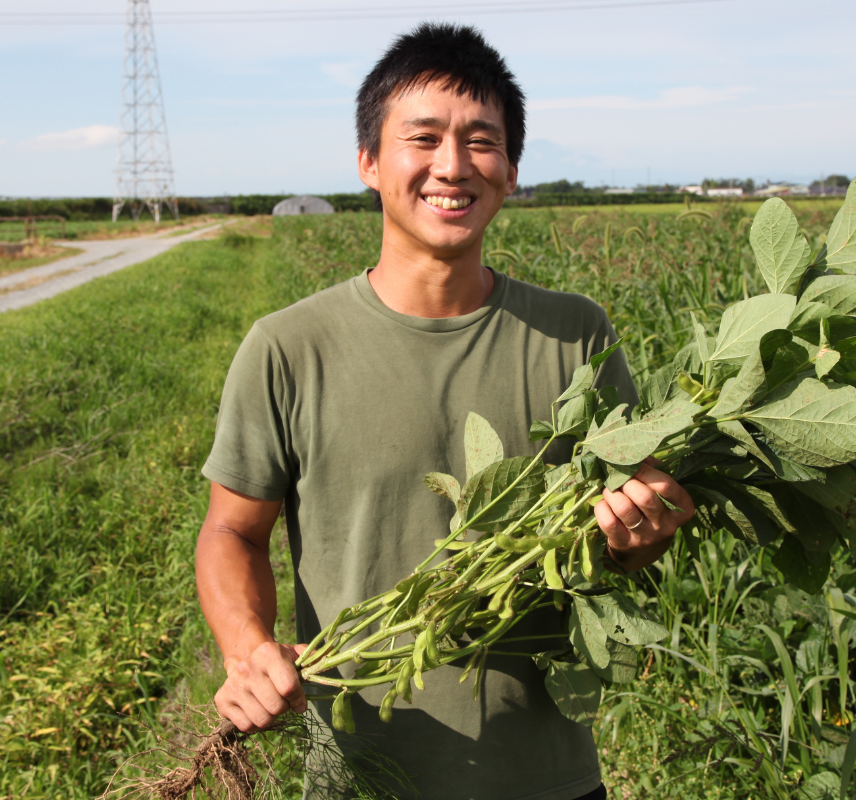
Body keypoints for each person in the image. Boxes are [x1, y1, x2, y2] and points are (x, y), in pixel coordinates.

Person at [195, 22, 695, 800]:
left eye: (481, 142)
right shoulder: (289, 347)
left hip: (545, 777)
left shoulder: (575, 333)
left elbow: (615, 539)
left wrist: (641, 536)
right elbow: (232, 531)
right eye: (423, 138)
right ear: (368, 161)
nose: (453, 165)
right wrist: (246, 648)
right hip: (359, 776)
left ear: (512, 171)